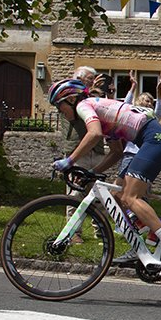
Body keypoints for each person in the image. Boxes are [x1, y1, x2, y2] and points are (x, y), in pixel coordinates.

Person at [48, 79, 161, 277]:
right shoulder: (100, 113)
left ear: (70, 99)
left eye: (58, 105)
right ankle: (140, 247)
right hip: (151, 141)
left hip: (155, 140)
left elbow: (94, 133)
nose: (58, 111)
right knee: (114, 195)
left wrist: (69, 161)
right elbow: (116, 153)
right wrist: (92, 172)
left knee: (131, 197)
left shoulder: (83, 105)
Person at [111, 72, 161, 264]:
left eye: (149, 102)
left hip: (142, 159)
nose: (147, 105)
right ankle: (142, 227)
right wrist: (132, 88)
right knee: (118, 195)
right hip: (129, 156)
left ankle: (152, 228)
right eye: (144, 102)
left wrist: (159, 90)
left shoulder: (152, 119)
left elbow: (159, 111)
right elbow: (124, 107)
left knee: (134, 198)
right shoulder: (132, 115)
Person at [59, 67, 108, 243]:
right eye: (90, 79)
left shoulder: (92, 97)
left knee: (100, 195)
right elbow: (75, 118)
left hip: (97, 151)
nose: (92, 81)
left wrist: (99, 93)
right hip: (78, 150)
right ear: (78, 78)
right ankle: (74, 233)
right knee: (75, 193)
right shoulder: (68, 99)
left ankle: (102, 232)